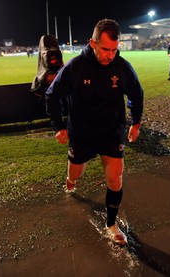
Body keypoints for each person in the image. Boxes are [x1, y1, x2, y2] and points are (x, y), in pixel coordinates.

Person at [45, 18, 144, 246]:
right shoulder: (75, 67)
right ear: (92, 43)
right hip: (82, 134)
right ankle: (70, 178)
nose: (110, 55)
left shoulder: (122, 67)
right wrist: (59, 126)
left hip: (111, 133)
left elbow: (136, 95)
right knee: (76, 174)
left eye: (114, 49)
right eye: (105, 49)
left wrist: (135, 123)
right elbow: (52, 95)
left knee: (115, 179)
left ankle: (111, 224)